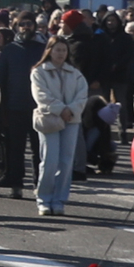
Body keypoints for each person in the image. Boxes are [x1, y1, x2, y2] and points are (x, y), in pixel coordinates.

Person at [29, 30, 88, 215]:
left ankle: (59, 199)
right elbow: (41, 95)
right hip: (49, 119)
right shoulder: (39, 72)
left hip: (71, 120)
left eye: (64, 50)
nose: (61, 53)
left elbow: (82, 94)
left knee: (66, 161)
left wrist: (71, 109)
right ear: (49, 51)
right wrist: (60, 108)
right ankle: (44, 199)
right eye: (57, 50)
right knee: (49, 160)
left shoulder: (75, 74)